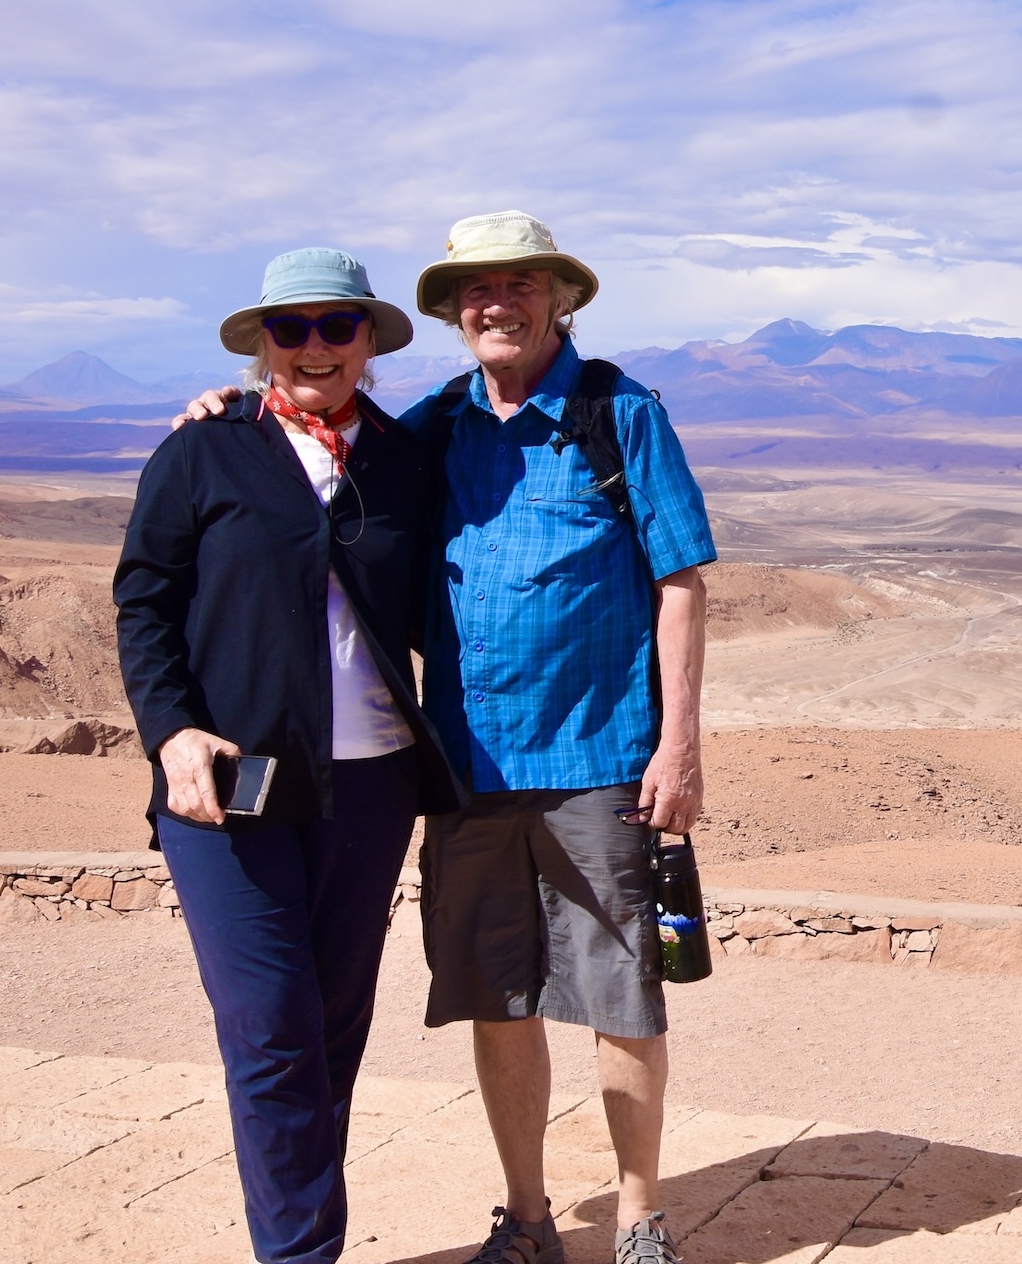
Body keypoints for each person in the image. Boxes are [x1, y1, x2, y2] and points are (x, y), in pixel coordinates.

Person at [116, 247, 464, 1264]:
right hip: (224, 784)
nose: (313, 346)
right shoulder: (205, 450)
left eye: (336, 326)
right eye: (290, 328)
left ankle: (304, 1235)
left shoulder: (405, 462)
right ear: (263, 341)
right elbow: (144, 600)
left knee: (331, 1032)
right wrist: (169, 729)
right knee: (270, 1026)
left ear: (368, 342)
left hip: (372, 782)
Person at [401, 212, 713, 1264]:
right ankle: (528, 1216)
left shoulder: (619, 415)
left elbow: (679, 582)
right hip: (468, 766)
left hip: (601, 759)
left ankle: (639, 1218)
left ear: (558, 299)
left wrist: (678, 748)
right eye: (474, 291)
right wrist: (228, 413)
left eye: (518, 285)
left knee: (624, 996)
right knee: (498, 991)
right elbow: (317, 458)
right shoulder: (435, 427)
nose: (496, 305)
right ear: (453, 313)